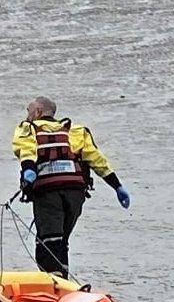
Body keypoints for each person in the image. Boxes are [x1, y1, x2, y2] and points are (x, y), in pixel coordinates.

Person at [11, 96, 130, 278]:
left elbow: (27, 149)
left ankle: (53, 285)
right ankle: (63, 280)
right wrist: (116, 186)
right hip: (75, 193)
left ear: (38, 112)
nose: (27, 115)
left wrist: (28, 169)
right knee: (62, 241)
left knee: (49, 241)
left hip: (48, 192)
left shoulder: (28, 128)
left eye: (28, 110)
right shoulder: (76, 131)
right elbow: (96, 160)